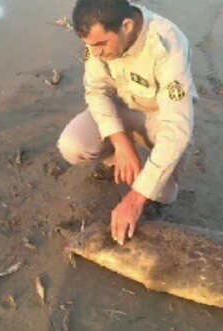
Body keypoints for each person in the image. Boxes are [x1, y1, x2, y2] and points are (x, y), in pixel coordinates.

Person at [57, 0, 196, 244]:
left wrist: (135, 199)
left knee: (164, 194)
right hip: (122, 109)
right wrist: (121, 143)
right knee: (72, 145)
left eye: (101, 44)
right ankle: (115, 161)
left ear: (127, 26)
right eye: (90, 46)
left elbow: (177, 128)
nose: (96, 53)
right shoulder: (96, 40)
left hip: (158, 118)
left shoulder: (168, 43)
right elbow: (96, 92)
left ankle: (145, 181)